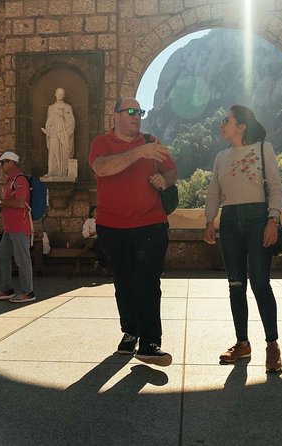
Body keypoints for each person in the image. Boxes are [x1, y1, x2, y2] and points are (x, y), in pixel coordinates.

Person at [88, 97, 177, 367]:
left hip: (151, 224)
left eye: (139, 112)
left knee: (148, 282)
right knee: (123, 281)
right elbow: (102, 168)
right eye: (130, 111)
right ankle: (130, 332)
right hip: (113, 227)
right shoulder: (101, 143)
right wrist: (139, 153)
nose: (136, 116)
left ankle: (150, 342)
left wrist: (164, 179)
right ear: (115, 117)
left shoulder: (151, 140)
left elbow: (172, 172)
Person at [203, 105, 282, 374]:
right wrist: (209, 220)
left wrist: (273, 219)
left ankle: (272, 345)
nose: (221, 124)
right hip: (229, 222)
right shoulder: (220, 157)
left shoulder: (263, 149)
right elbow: (214, 190)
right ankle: (242, 343)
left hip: (257, 219)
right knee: (235, 284)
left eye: (226, 120)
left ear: (241, 126)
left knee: (260, 282)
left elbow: (275, 186)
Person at [0, 151, 35, 303]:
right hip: (10, 228)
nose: (0, 166)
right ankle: (7, 289)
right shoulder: (10, 181)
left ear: (11, 163)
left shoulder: (19, 179)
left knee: (22, 260)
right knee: (2, 255)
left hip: (19, 227)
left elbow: (21, 203)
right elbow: (11, 204)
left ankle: (28, 293)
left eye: (2, 162)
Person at [42, 87, 75, 177]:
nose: (59, 95)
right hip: (54, 133)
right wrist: (49, 129)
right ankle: (52, 171)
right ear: (55, 94)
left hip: (64, 133)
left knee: (64, 152)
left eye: (61, 94)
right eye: (58, 93)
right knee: (53, 150)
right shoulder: (51, 108)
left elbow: (72, 122)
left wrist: (63, 115)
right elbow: (48, 121)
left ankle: (63, 171)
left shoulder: (68, 107)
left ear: (63, 95)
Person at [81, 205, 109, 275]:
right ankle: (104, 267)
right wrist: (96, 232)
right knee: (98, 243)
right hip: (91, 242)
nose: (98, 213)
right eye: (96, 211)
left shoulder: (103, 222)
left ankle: (98, 261)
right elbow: (85, 234)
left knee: (102, 245)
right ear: (92, 213)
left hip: (102, 242)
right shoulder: (89, 221)